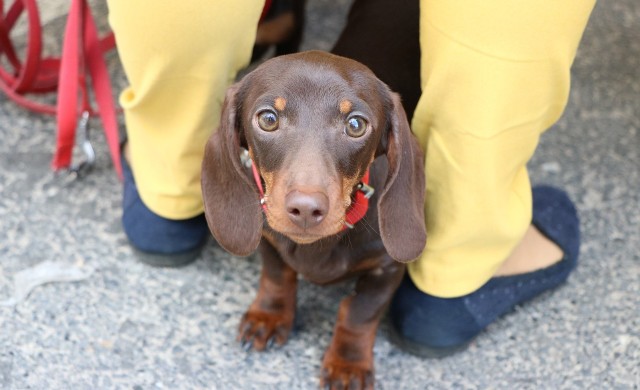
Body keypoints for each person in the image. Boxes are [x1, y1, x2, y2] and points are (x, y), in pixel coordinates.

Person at [106, 0, 595, 356]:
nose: (305, 196)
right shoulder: (269, 192)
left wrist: (354, 339)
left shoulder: (386, 210)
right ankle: (460, 269)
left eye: (356, 124)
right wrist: (274, 297)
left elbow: (387, 264)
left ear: (390, 144)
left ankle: (164, 190)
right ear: (234, 137)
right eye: (269, 121)